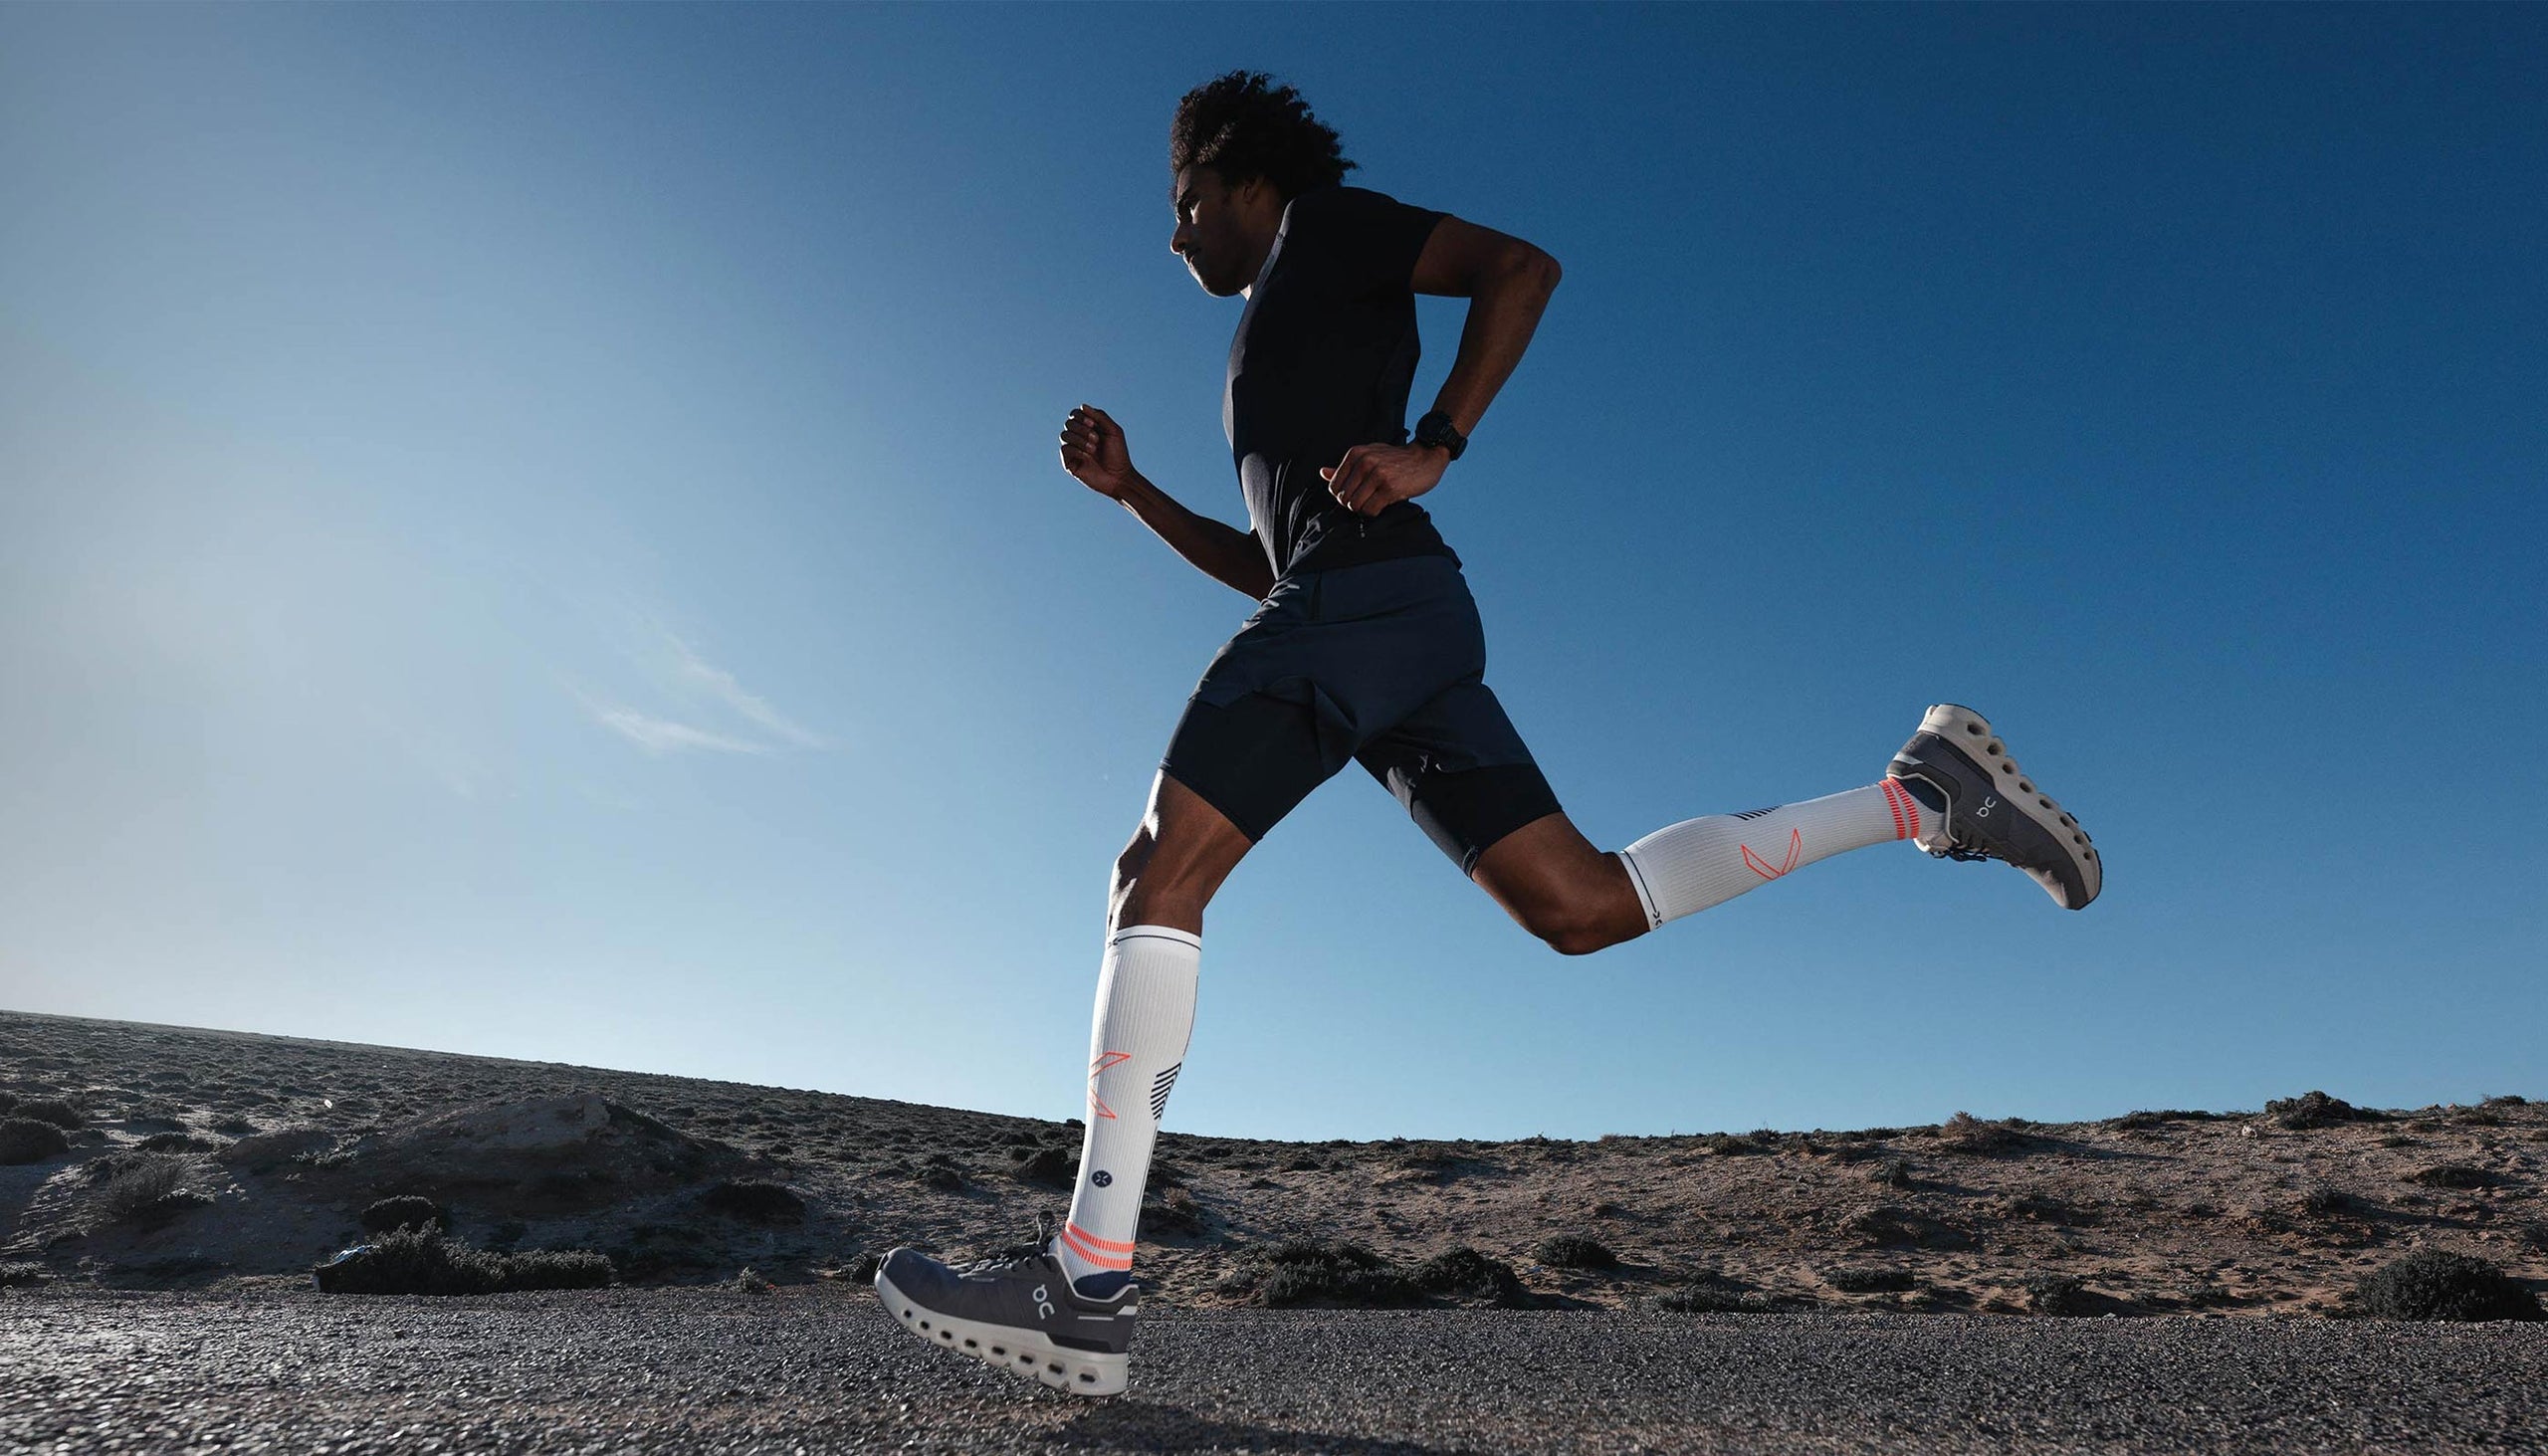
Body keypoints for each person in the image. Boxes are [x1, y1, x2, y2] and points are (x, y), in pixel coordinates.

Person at [875, 71, 2100, 1397]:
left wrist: (1436, 444)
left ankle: (1085, 1284)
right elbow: (1270, 562)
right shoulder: (1279, 329)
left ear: (1244, 179)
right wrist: (1132, 500)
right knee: (1579, 907)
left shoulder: (1324, 230)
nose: (1173, 236)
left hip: (1368, 600)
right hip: (1382, 617)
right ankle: (1919, 798)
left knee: (1154, 871)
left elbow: (1522, 267)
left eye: (1182, 204)